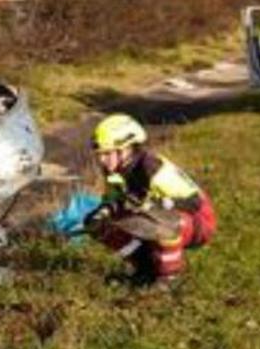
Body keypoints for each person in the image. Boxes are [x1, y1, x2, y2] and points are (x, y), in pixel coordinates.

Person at [85, 115, 217, 289]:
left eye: (108, 153)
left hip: (199, 222)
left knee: (157, 218)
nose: (102, 160)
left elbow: (194, 202)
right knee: (98, 223)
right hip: (155, 216)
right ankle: (146, 269)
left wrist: (154, 204)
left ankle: (169, 277)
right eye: (100, 154)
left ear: (127, 149)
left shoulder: (152, 167)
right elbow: (113, 199)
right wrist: (103, 212)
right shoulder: (114, 170)